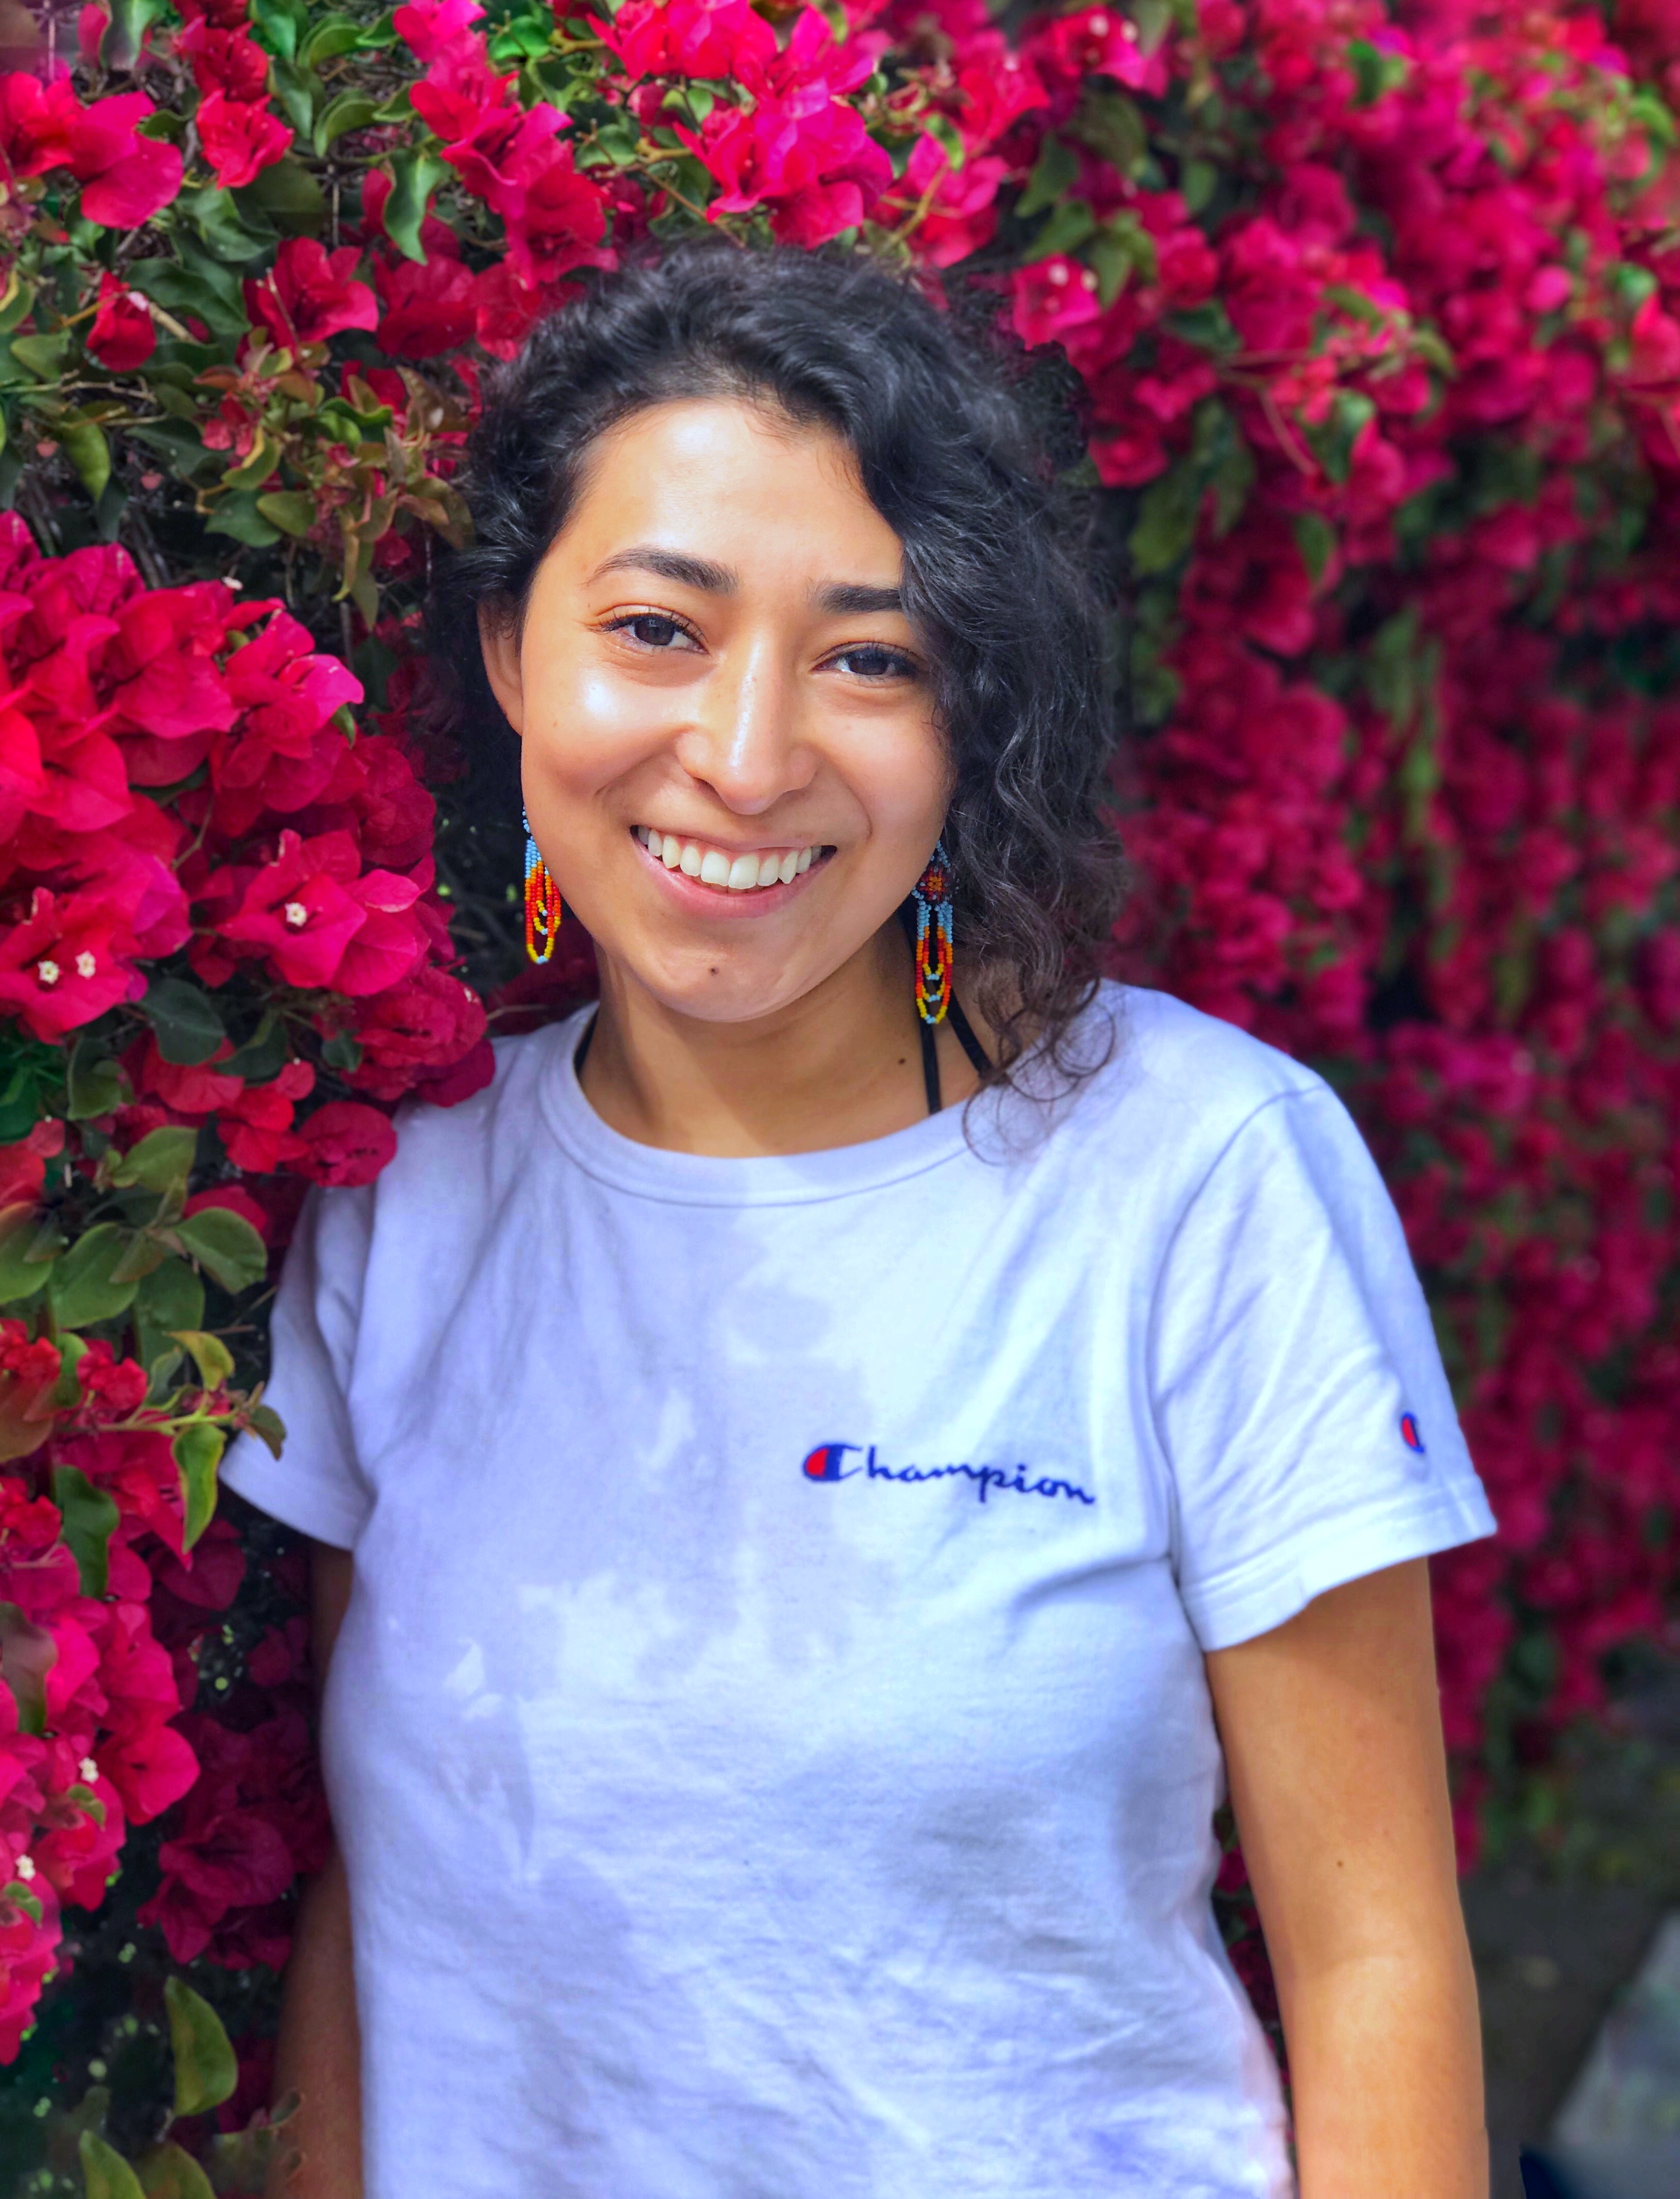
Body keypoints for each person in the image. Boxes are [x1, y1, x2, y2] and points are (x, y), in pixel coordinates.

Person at [224, 242, 1495, 2199]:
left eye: (868, 657)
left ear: (966, 713)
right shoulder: (416, 1198)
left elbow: (1376, 1957)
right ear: (508, 651)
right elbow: (375, 1922)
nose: (744, 755)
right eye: (655, 627)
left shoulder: (1198, 1171)